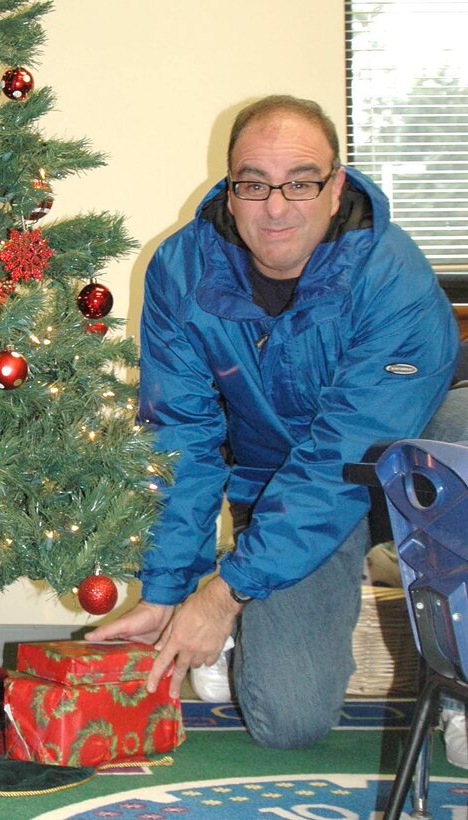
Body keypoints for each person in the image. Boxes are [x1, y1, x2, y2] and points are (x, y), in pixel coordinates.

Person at [86, 95, 461, 750]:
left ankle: (458, 694)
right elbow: (181, 438)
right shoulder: (181, 271)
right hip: (280, 491)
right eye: (254, 184)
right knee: (287, 722)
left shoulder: (393, 279)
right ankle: (247, 639)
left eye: (300, 182)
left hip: (400, 467)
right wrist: (170, 591)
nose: (277, 207)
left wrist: (225, 592)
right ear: (230, 191)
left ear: (336, 185)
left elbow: (340, 460)